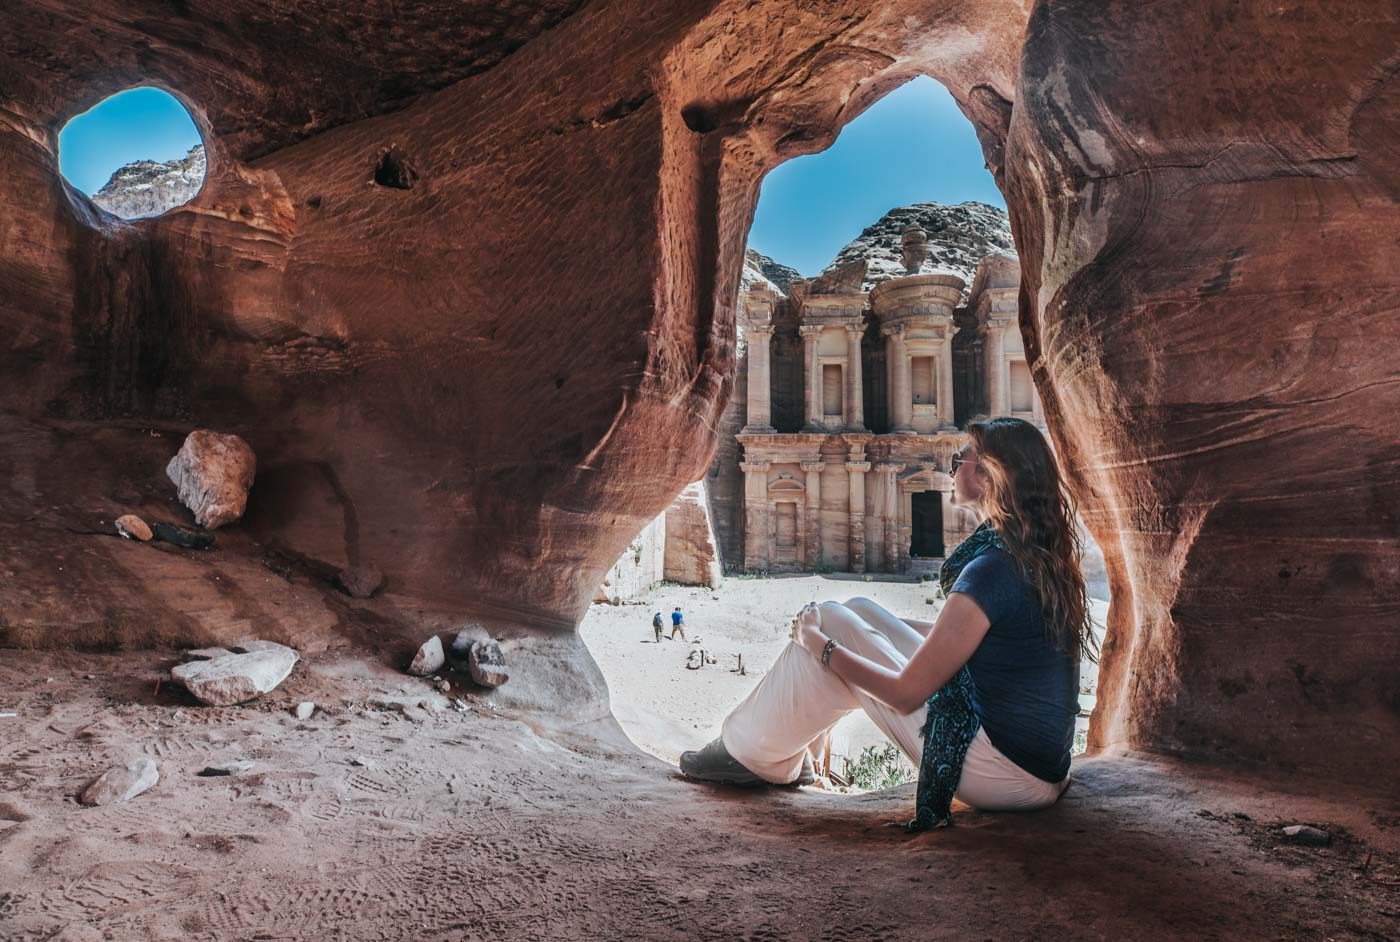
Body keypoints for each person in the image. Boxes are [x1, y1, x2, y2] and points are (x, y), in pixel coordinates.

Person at [679, 417, 1096, 828]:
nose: (950, 468)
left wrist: (818, 645)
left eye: (959, 460)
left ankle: (750, 750)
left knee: (828, 622)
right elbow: (960, 643)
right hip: (1038, 768)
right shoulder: (1027, 550)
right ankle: (779, 754)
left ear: (989, 478)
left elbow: (904, 695)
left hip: (1003, 775)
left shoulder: (990, 570)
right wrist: (869, 630)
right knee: (859, 608)